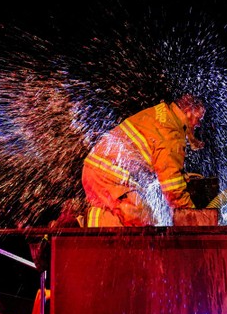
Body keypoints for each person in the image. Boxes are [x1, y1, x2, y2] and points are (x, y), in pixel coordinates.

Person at [80, 94, 206, 227]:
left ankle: (89, 228)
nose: (198, 124)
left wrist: (182, 176)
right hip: (109, 174)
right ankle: (85, 227)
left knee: (123, 217)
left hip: (96, 168)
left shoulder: (162, 114)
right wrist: (192, 216)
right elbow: (172, 188)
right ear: (188, 111)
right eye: (199, 118)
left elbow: (160, 166)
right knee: (143, 219)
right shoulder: (171, 132)